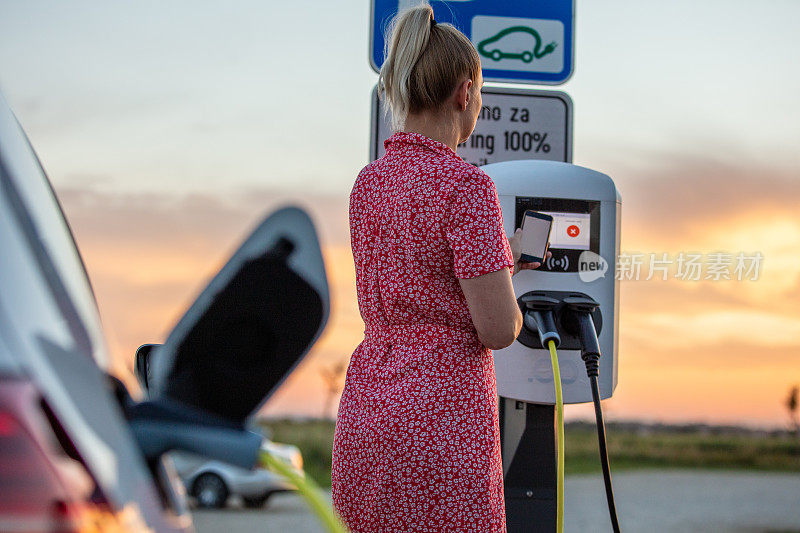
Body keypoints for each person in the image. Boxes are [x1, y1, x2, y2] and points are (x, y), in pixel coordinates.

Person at [331, 4, 545, 532]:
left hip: (369, 403)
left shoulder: (370, 183)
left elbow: (421, 276)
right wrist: (507, 289)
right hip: (440, 409)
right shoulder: (467, 188)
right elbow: (497, 329)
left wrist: (502, 258)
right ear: (464, 93)